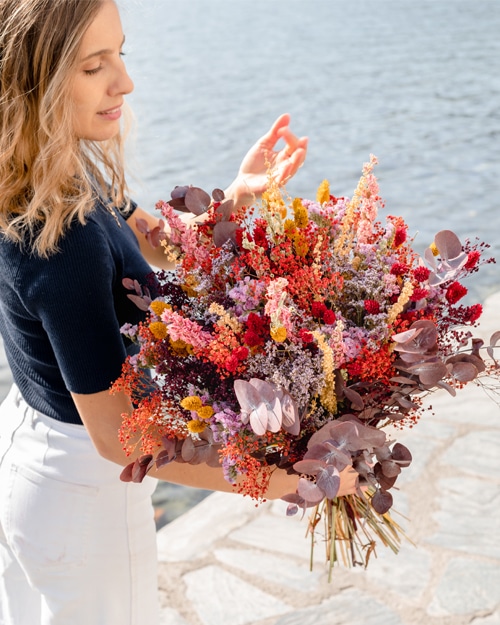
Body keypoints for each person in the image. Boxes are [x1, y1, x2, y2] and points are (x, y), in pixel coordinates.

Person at [0, 1, 357, 623]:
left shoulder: (49, 172)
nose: (125, 82)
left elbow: (153, 238)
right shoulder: (66, 238)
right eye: (94, 66)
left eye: (121, 55)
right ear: (36, 83)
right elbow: (121, 438)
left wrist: (238, 197)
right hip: (84, 495)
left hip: (32, 452)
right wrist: (294, 479)